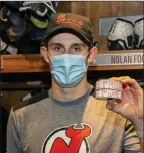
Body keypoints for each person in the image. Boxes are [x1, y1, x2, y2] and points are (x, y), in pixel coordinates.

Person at [6, 13, 143, 153]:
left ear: (91, 55)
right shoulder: (20, 115)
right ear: (46, 54)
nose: (67, 56)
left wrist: (140, 123)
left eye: (76, 48)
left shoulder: (118, 110)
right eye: (57, 48)